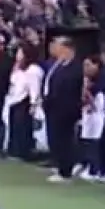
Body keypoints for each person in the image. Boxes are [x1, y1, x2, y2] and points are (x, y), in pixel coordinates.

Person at [41, 36, 83, 183]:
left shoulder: (75, 67)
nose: (54, 48)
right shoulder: (58, 64)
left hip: (65, 109)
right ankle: (59, 164)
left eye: (58, 45)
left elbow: (71, 89)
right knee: (55, 138)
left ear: (66, 48)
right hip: (53, 108)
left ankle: (66, 171)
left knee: (64, 140)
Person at [2, 44, 42, 161]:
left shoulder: (33, 70)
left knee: (22, 127)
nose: (18, 56)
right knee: (14, 126)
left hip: (24, 101)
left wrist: (34, 103)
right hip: (13, 99)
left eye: (20, 53)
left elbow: (34, 87)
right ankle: (13, 150)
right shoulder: (18, 68)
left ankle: (22, 152)